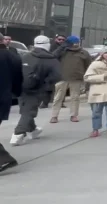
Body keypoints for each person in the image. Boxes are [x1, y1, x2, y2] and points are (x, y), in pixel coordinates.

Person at [11, 35, 61, 146]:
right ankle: (18, 133)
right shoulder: (51, 60)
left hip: (21, 87)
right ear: (47, 45)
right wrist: (46, 83)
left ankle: (33, 130)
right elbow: (57, 76)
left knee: (25, 109)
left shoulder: (26, 56)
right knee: (29, 111)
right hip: (37, 88)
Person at [50, 35, 91, 123]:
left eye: (76, 43)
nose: (75, 45)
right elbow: (52, 56)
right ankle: (54, 116)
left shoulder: (83, 53)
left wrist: (86, 77)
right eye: (73, 43)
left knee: (75, 97)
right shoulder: (62, 51)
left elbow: (88, 65)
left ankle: (74, 115)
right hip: (61, 77)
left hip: (76, 78)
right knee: (58, 98)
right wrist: (62, 47)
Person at [0, 36, 24, 172]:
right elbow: (18, 79)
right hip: (4, 98)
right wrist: (16, 93)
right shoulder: (13, 57)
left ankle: (4, 159)